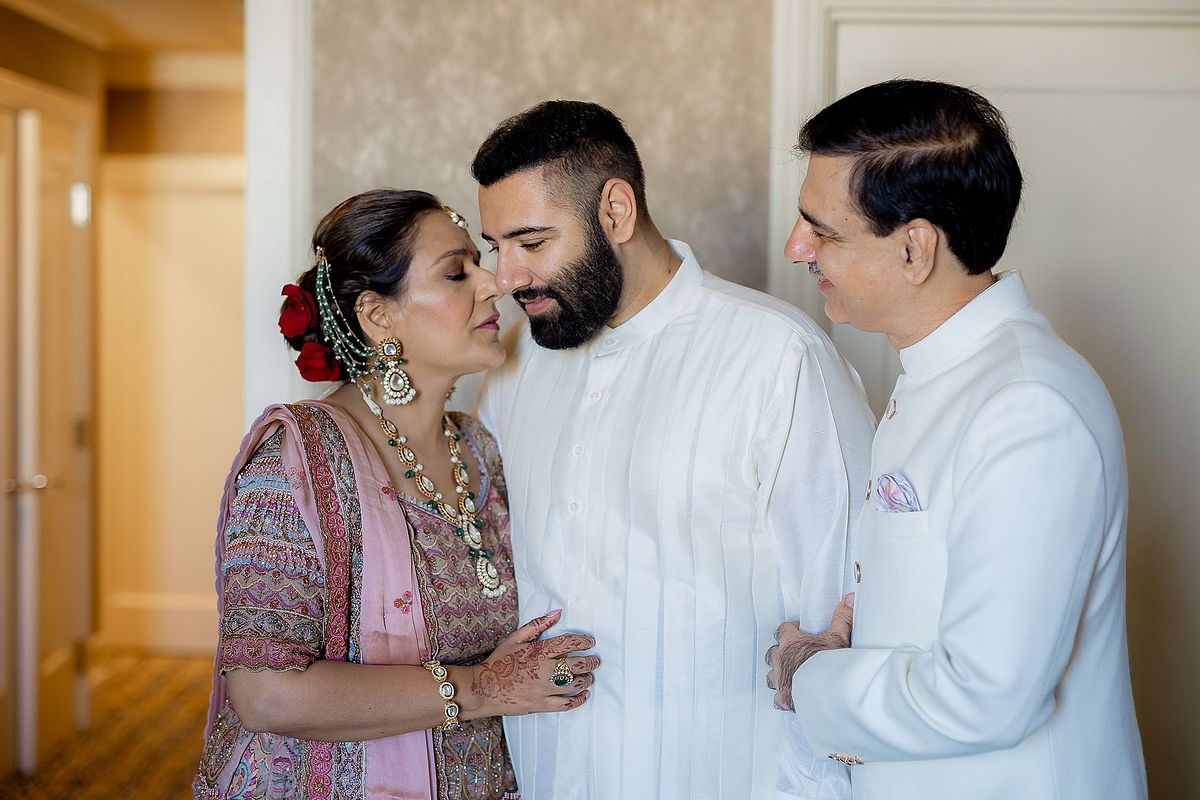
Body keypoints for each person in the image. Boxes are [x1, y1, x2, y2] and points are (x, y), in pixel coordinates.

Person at [472, 101, 876, 799]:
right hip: (552, 777)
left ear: (616, 211)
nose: (506, 278)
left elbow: (844, 610)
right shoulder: (518, 362)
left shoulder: (778, 356)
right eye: (495, 247)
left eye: (531, 243)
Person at [767, 79, 1147, 799]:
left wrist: (812, 677)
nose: (796, 247)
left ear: (916, 249)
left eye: (824, 231)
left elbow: (985, 696)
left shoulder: (1028, 407)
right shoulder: (942, 378)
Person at [193, 189, 600, 800]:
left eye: (480, 264)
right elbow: (266, 694)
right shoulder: (299, 459)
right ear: (377, 315)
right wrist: (483, 688)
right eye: (456, 273)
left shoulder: (480, 447)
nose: (494, 285)